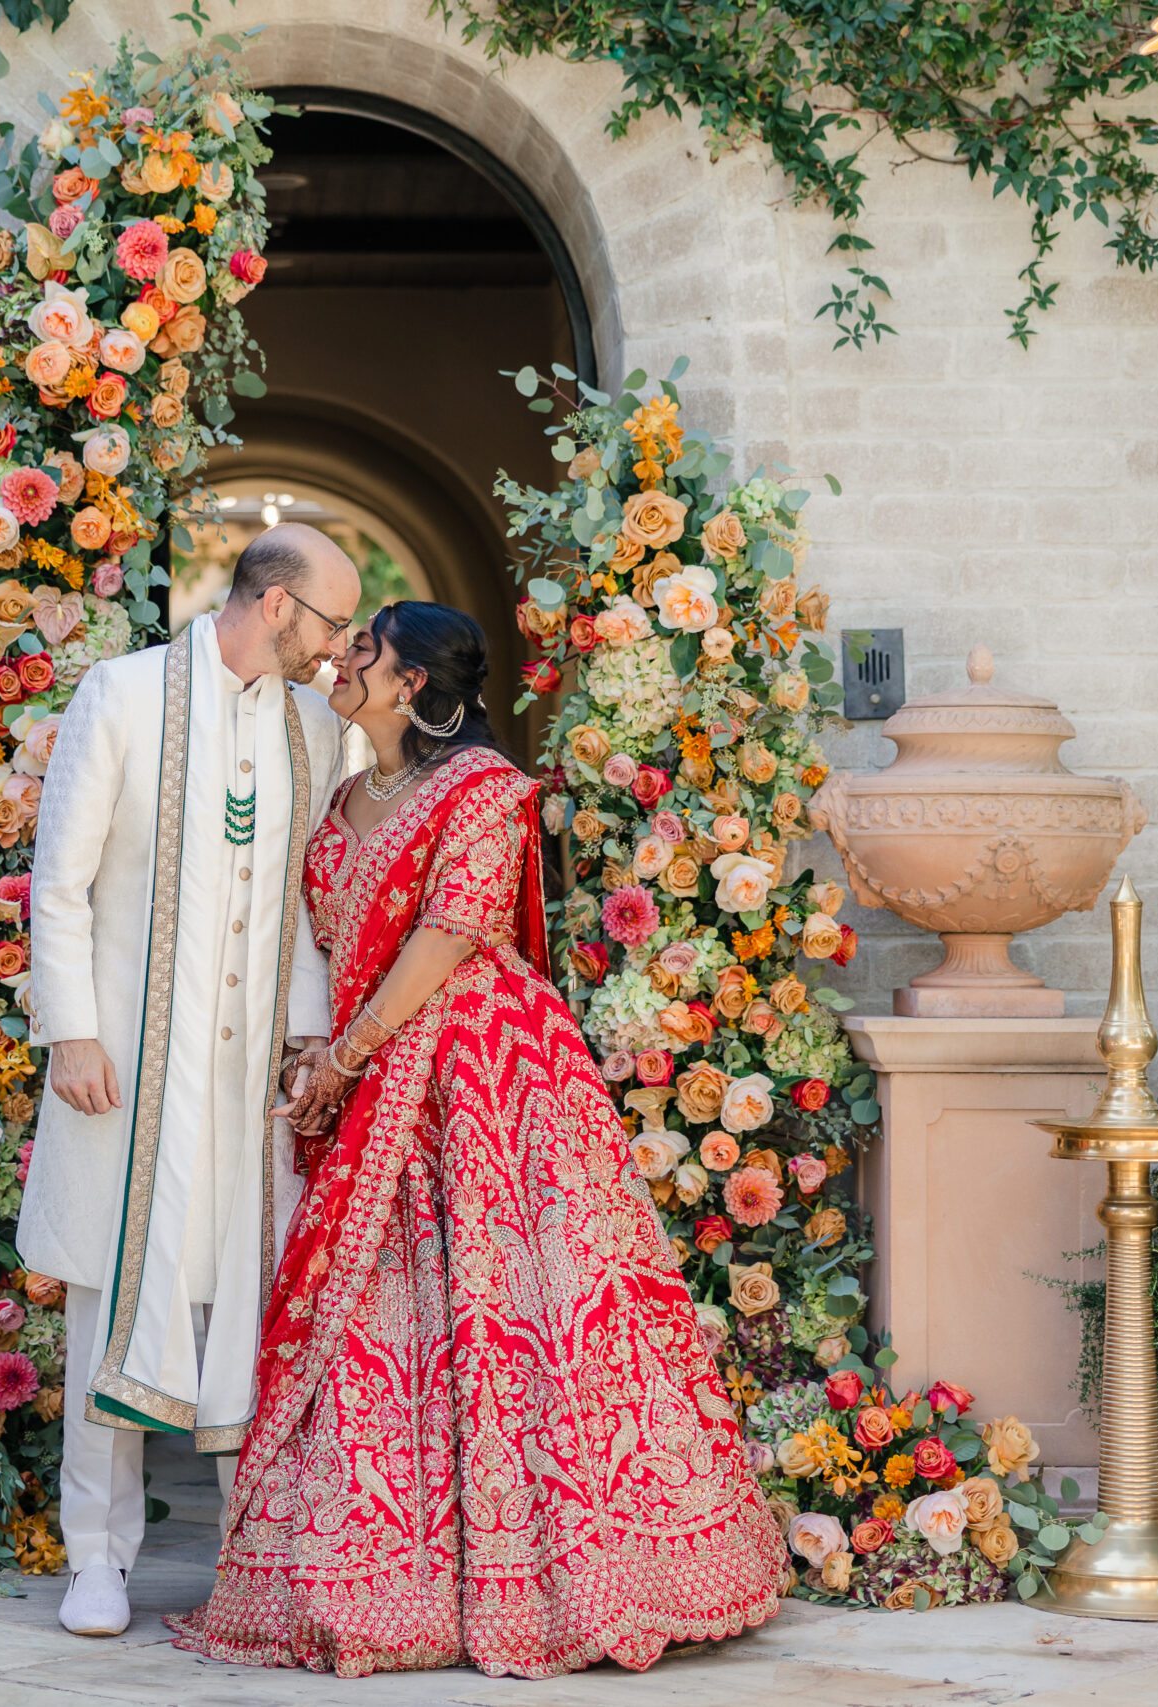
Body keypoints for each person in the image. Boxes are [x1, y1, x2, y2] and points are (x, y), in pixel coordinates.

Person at [169, 602, 785, 1679]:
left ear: (410, 682)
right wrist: (316, 1056)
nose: (339, 659)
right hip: (374, 1076)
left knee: (517, 1312)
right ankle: (376, 1576)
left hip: (484, 1076)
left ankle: (577, 1574)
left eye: (362, 649)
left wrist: (348, 1052)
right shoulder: (343, 798)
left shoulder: (484, 790)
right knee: (380, 1318)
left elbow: (453, 932)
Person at [22, 523, 360, 1638]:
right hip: (126, 1068)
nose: (338, 645)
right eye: (332, 621)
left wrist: (308, 1040)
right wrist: (72, 1031)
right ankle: (97, 1556)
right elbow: (59, 880)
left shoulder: (319, 728)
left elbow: (313, 903)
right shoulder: (121, 694)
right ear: (276, 604)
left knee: (249, 1302)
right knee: (110, 1300)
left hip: (252, 1076)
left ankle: (248, 1556)